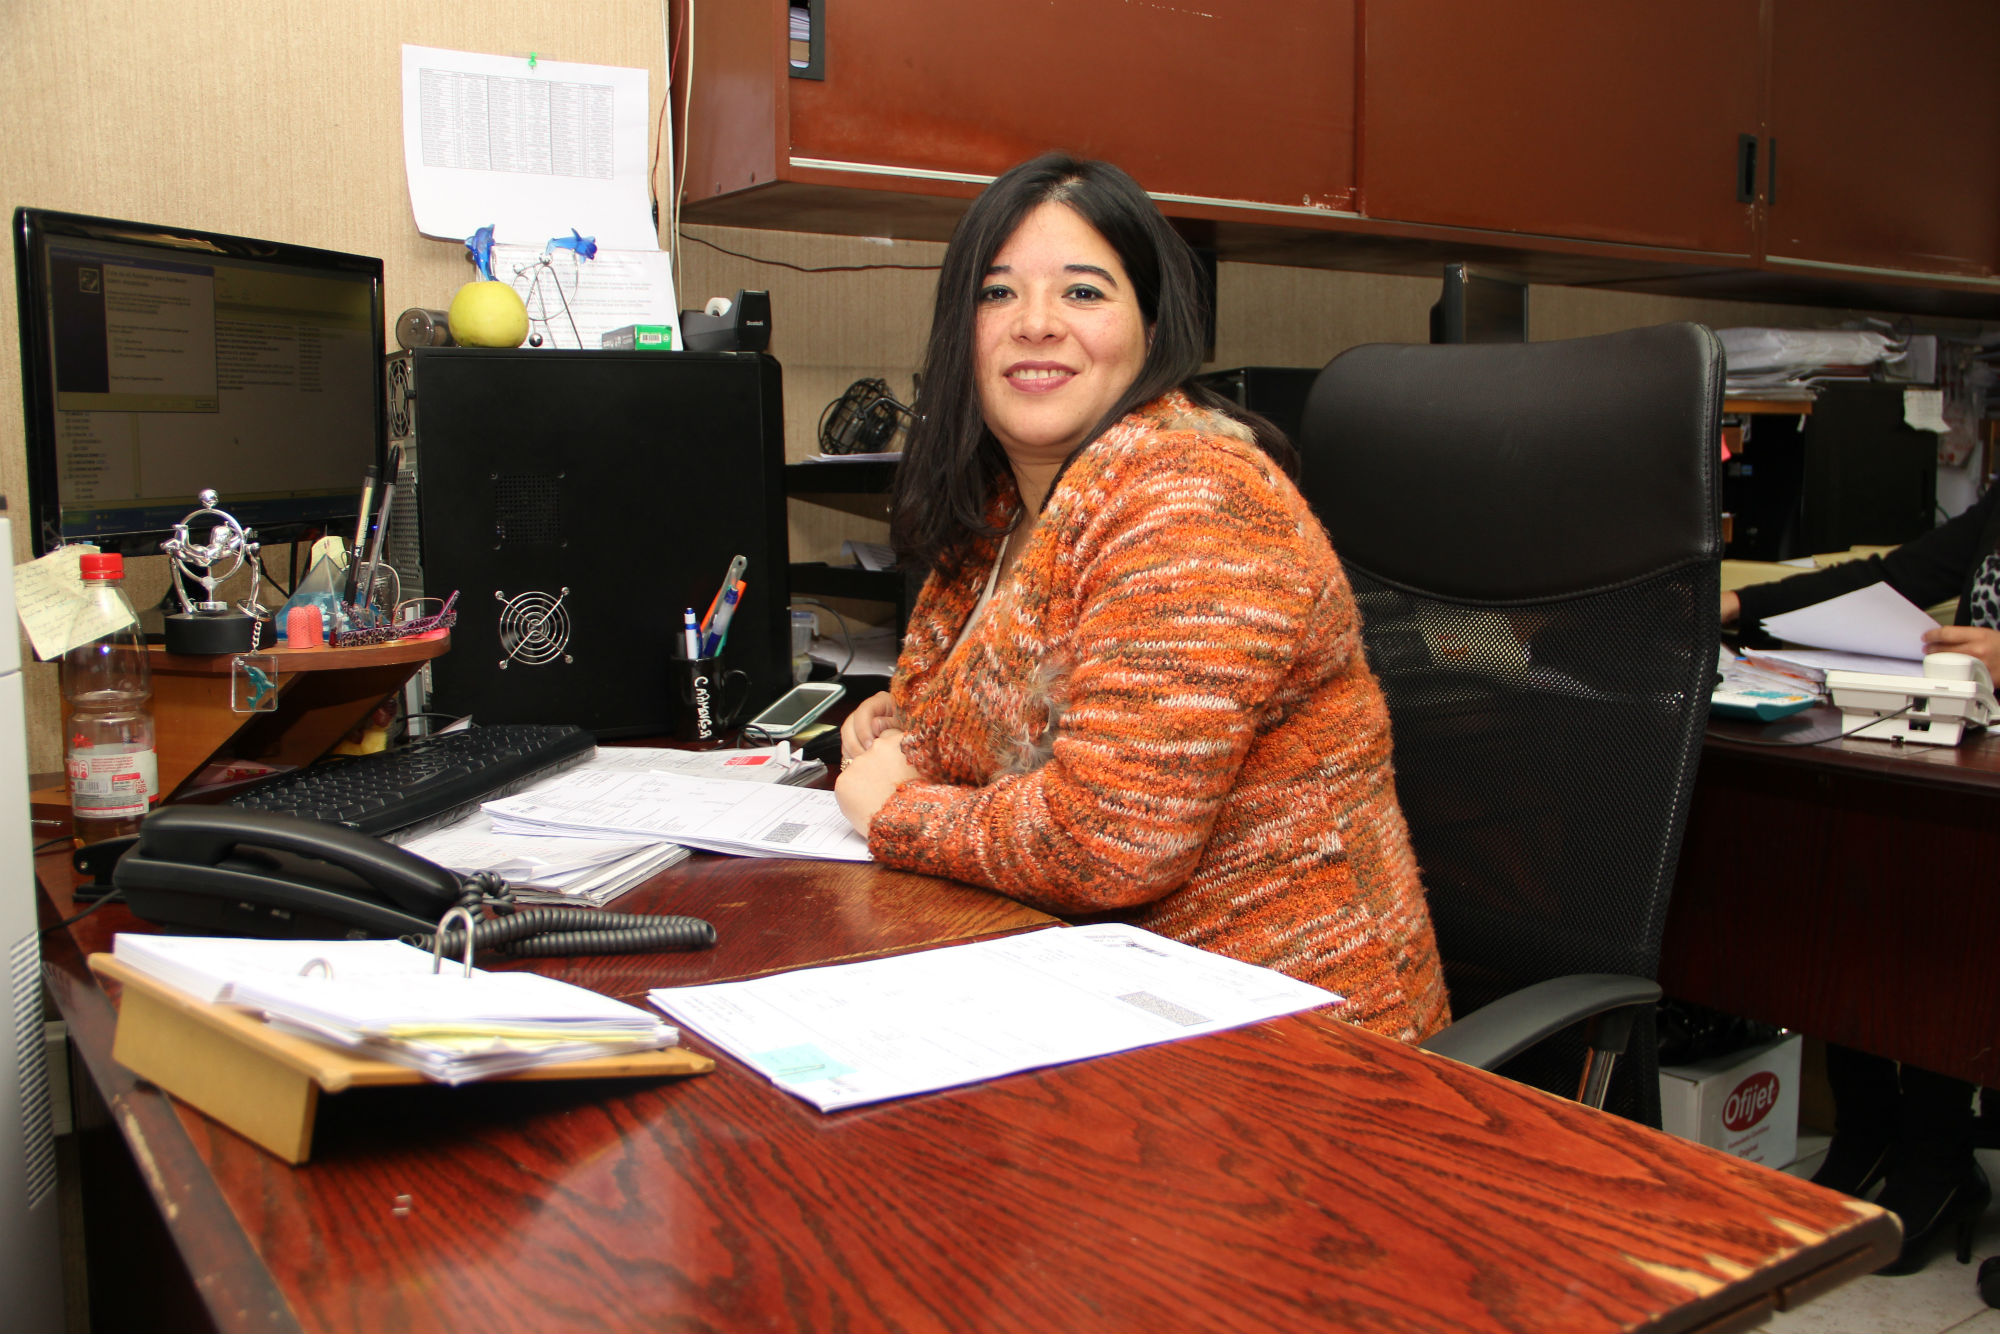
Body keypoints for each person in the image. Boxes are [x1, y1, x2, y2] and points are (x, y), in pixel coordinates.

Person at [831, 153, 1449, 1044]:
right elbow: (1018, 711)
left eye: (1083, 292)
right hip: (1093, 991)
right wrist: (906, 728)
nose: (1036, 323)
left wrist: (896, 809)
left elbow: (1113, 841)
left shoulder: (1195, 494)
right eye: (998, 293)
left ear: (1152, 328)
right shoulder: (1002, 512)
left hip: (1292, 1031)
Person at [1724, 481, 2000, 1275]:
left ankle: (1937, 1156)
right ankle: (1871, 1130)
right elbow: (1892, 581)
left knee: (1949, 920)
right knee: (1859, 886)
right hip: (1962, 763)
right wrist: (1737, 605)